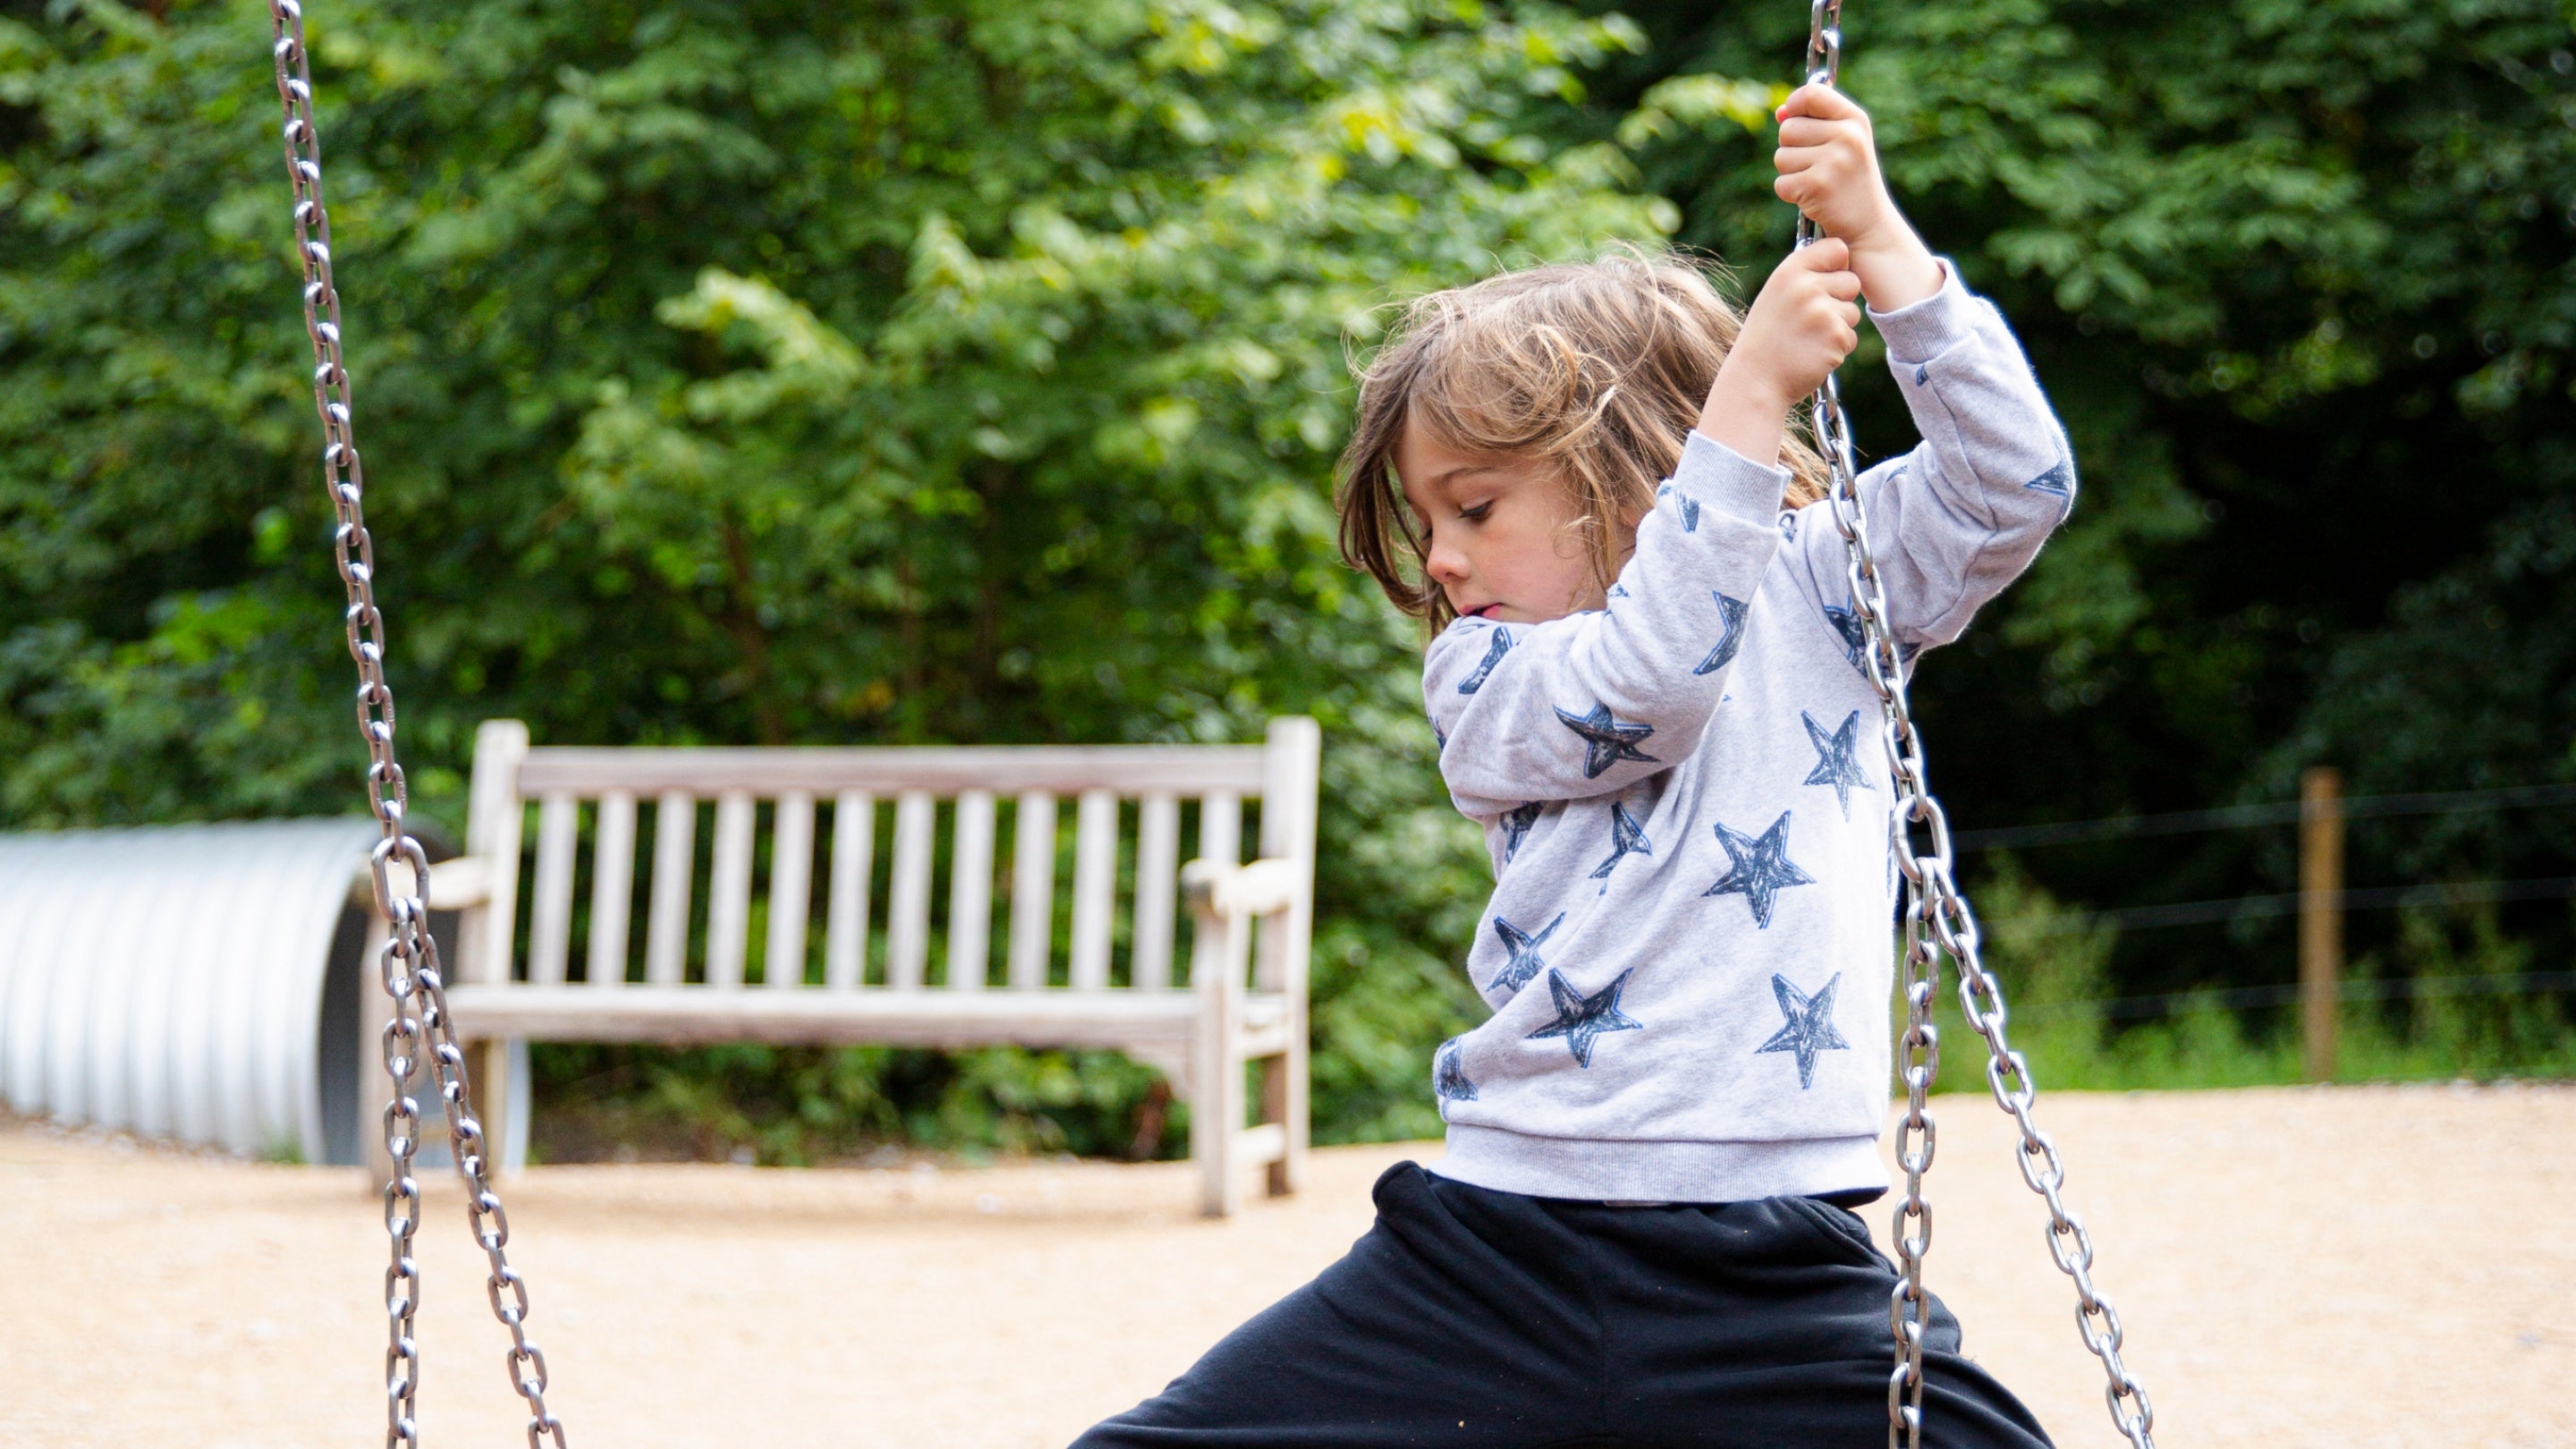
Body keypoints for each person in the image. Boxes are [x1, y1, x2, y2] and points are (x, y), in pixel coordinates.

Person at [1073, 83, 2066, 1449]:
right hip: (1504, 1249)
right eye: (1426, 521)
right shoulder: (1485, 673)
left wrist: (1885, 245)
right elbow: (1647, 685)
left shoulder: (1827, 584)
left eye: (1474, 506)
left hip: (1776, 1261)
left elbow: (2017, 487)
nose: (1439, 560)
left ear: (1635, 467)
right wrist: (1748, 402)